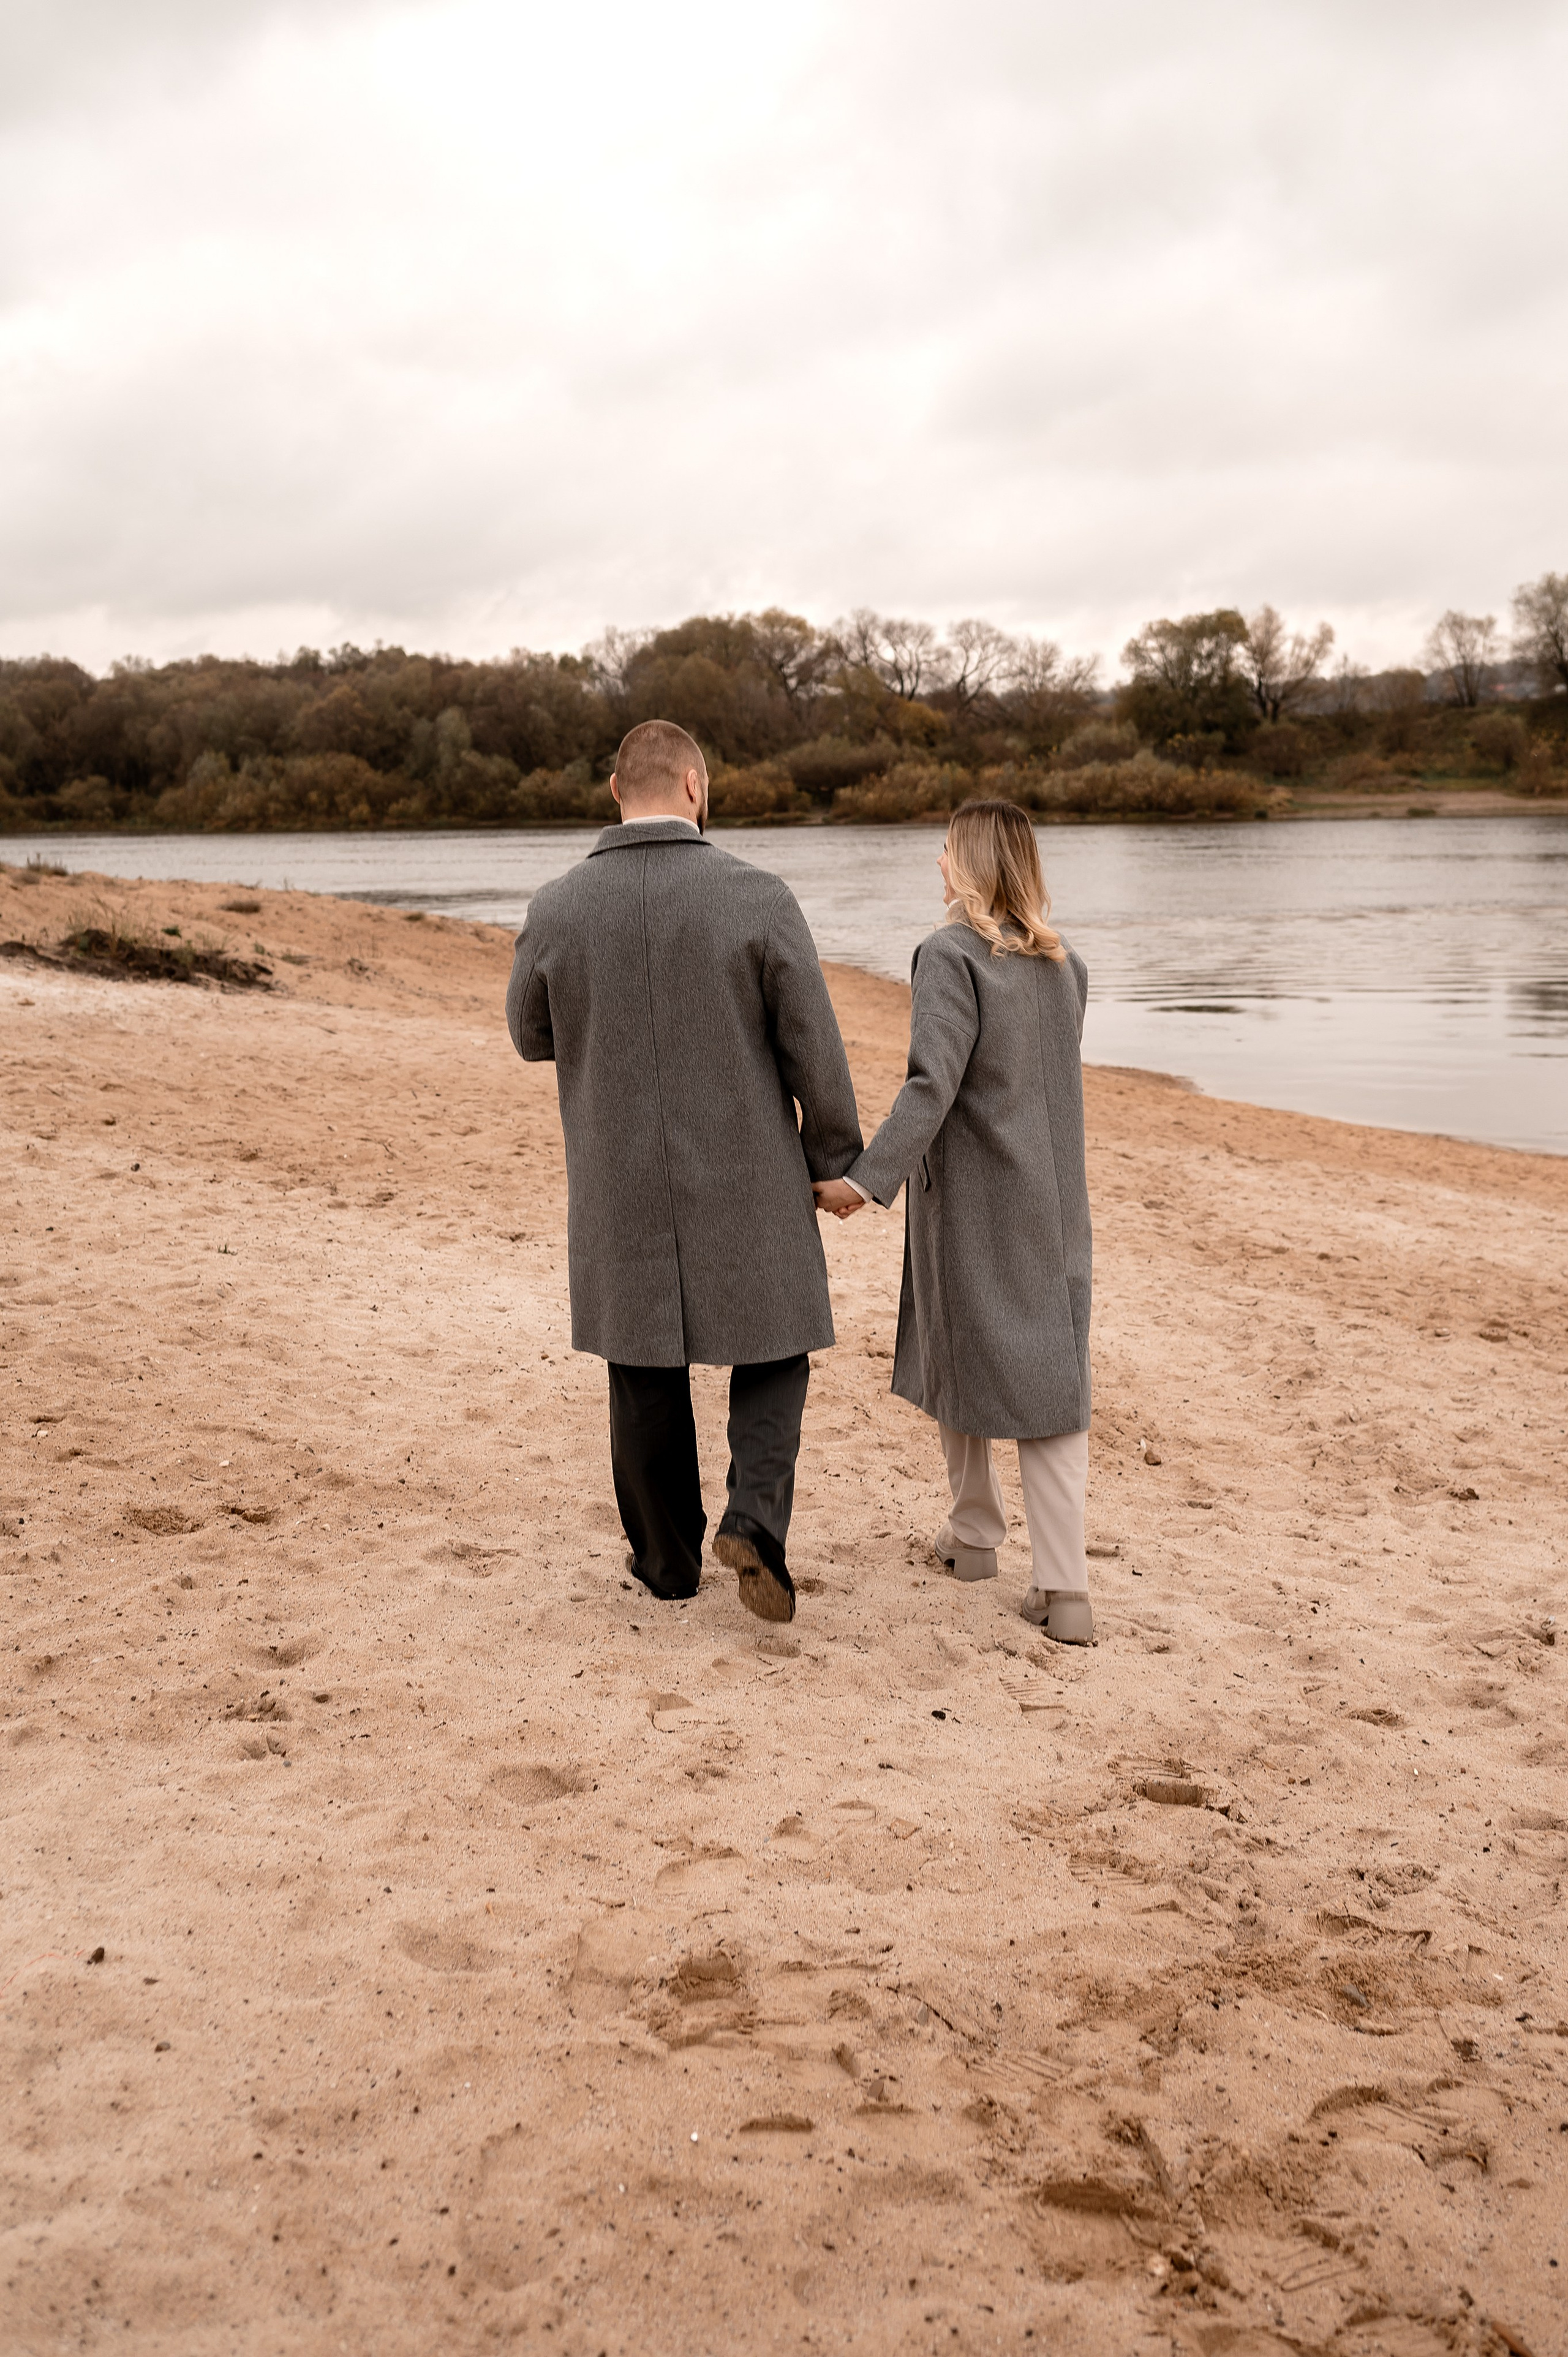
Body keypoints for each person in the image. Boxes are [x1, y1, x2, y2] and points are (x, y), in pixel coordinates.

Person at [506, 718, 863, 1624]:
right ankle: (754, 1520)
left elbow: (530, 1036)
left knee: (642, 1362)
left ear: (614, 791)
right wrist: (835, 1157)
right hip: (749, 1165)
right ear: (696, 787)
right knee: (777, 1339)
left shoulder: (555, 906)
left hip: (617, 1170)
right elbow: (814, 1050)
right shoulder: (759, 896)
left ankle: (666, 1563)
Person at [813, 799, 1095, 1643]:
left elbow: (931, 1086)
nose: (937, 863)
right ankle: (1050, 1579)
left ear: (970, 862)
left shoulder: (948, 955)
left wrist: (865, 1181)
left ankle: (989, 1544)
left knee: (971, 1354)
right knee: (1049, 1374)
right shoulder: (1066, 964)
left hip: (975, 1202)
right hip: (1055, 1206)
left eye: (944, 850)